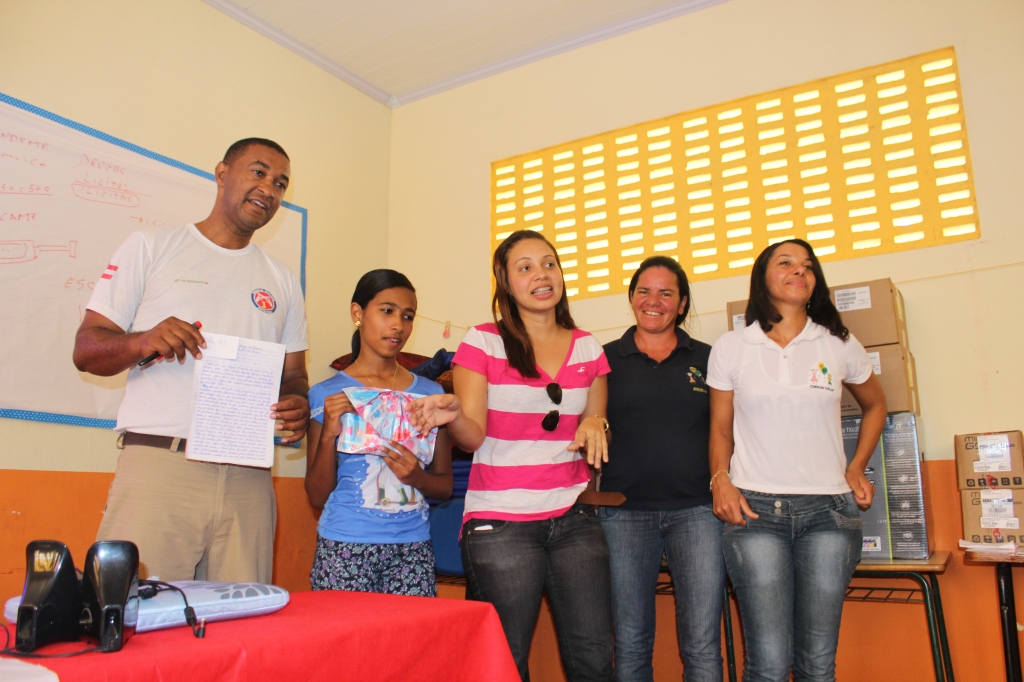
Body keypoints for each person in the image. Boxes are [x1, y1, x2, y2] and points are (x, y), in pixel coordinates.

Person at [72, 138, 309, 583]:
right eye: (259, 172)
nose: (269, 189)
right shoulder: (152, 246)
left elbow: (294, 375)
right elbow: (86, 349)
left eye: (280, 183)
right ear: (221, 174)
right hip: (162, 465)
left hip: (249, 477)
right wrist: (142, 341)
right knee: (138, 613)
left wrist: (297, 402)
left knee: (243, 616)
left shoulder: (282, 280)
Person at [407, 230, 614, 682]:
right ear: (505, 282)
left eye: (549, 263)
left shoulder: (588, 347)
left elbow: (595, 424)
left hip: (574, 518)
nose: (541, 274)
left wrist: (598, 424)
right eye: (525, 267)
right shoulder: (482, 342)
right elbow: (472, 438)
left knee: (595, 659)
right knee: (503, 661)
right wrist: (454, 414)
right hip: (501, 523)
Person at [706, 239, 887, 682]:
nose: (799, 271)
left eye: (807, 266)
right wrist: (720, 478)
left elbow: (876, 405)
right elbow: (721, 429)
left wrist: (855, 467)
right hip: (755, 514)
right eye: (785, 263)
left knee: (817, 664)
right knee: (768, 664)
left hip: (830, 514)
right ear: (762, 277)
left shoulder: (838, 343)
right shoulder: (732, 346)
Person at [599, 256, 725, 682]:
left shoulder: (709, 358)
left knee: (702, 644)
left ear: (682, 303)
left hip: (699, 512)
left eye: (666, 293)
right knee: (631, 641)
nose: (653, 301)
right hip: (623, 514)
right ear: (632, 298)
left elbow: (725, 431)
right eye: (644, 291)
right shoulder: (604, 360)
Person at [305, 269, 453, 596]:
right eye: (387, 311)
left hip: (412, 548)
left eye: (408, 316)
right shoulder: (325, 394)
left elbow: (444, 487)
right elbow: (316, 496)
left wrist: (418, 477)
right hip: (343, 546)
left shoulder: (430, 394)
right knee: (346, 631)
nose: (398, 324)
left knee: (412, 631)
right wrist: (328, 434)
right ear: (357, 313)